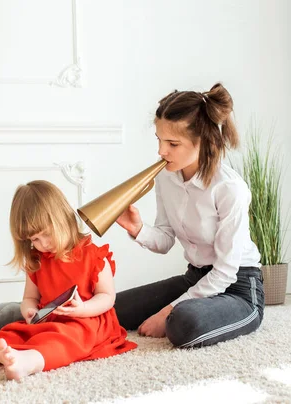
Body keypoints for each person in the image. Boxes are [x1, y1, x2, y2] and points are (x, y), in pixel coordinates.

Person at [0, 180, 136, 381]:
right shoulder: (37, 260)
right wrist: (29, 310)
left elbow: (107, 297)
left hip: (88, 323)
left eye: (46, 234)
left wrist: (82, 308)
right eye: (34, 239)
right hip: (48, 320)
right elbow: (30, 297)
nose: (42, 244)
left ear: (63, 219)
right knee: (9, 334)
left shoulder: (93, 255)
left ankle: (28, 362)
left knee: (63, 339)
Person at [115, 83, 265, 349]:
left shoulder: (229, 188)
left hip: (238, 286)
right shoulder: (165, 176)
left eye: (172, 143)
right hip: (195, 278)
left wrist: (167, 311)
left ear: (203, 142)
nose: (161, 151)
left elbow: (226, 271)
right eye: (159, 140)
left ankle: (188, 313)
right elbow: (164, 241)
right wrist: (138, 228)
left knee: (181, 322)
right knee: (113, 309)